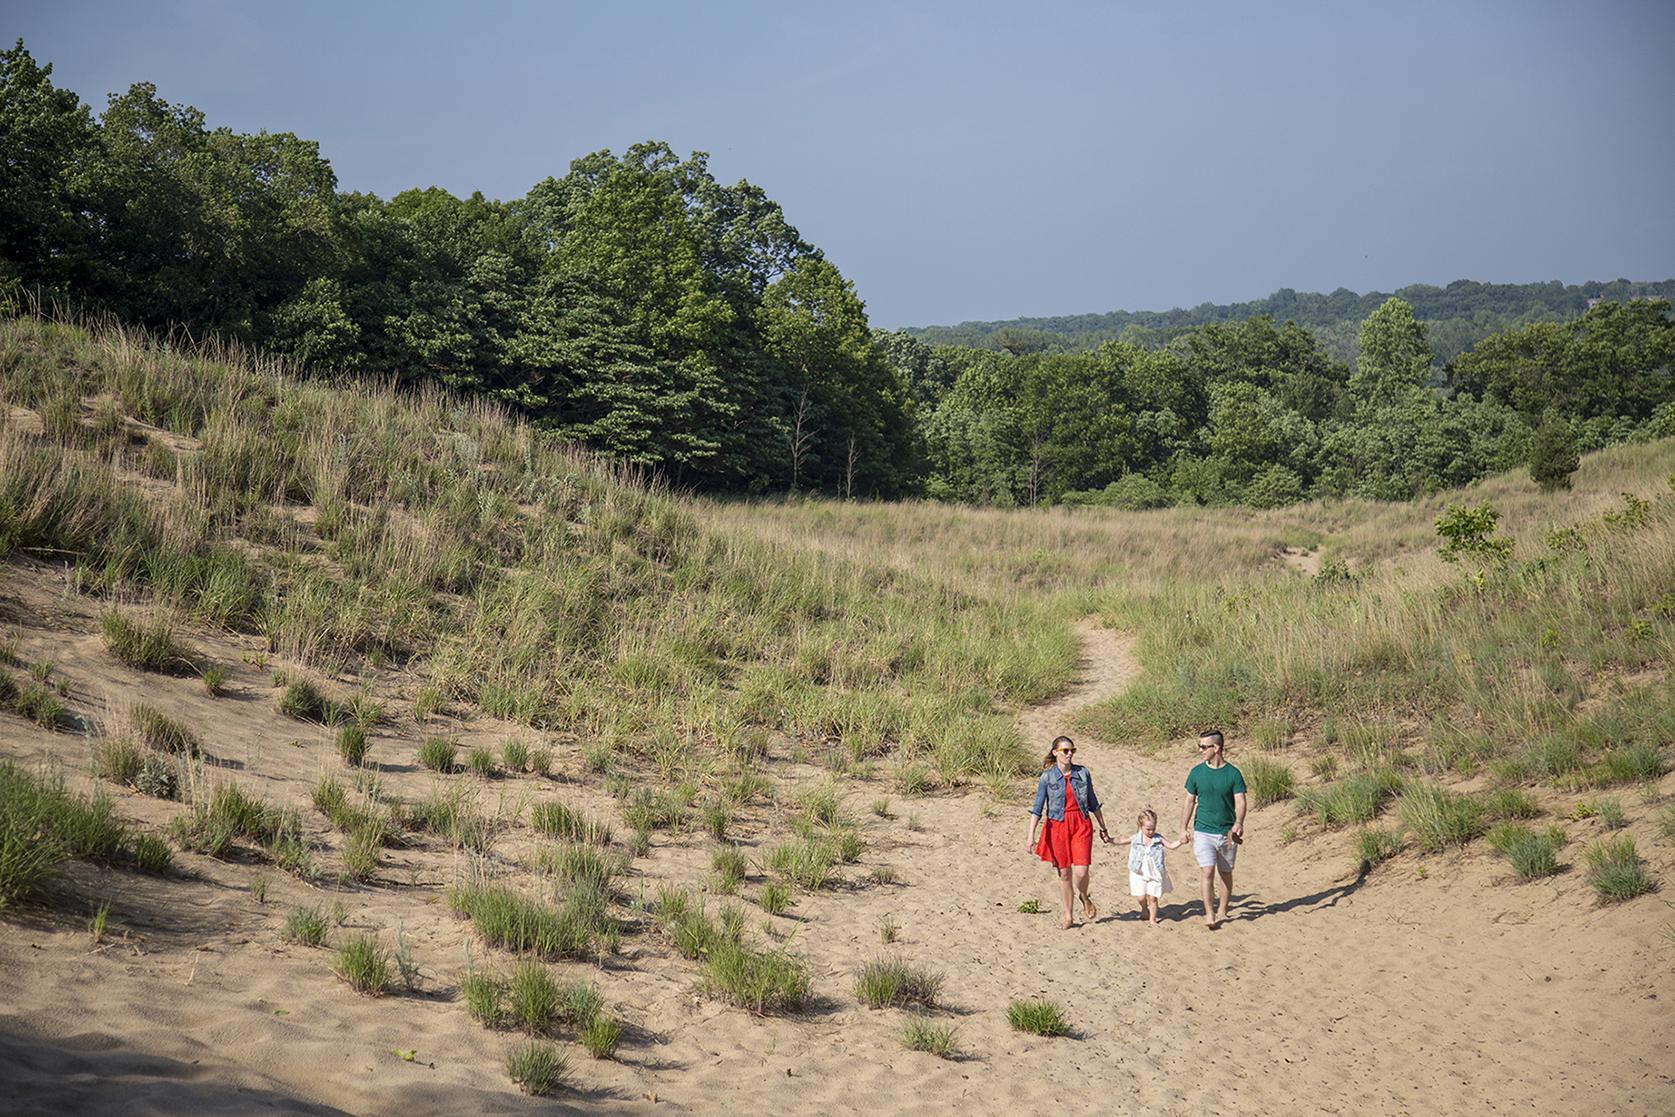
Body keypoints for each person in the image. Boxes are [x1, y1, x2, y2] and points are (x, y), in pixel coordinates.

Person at [1027, 735, 1113, 929]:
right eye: (1065, 751)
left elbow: (1093, 802)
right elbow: (1037, 808)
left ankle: (1084, 895)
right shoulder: (1047, 777)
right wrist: (1030, 837)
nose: (1069, 754)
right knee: (1064, 874)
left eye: (1072, 750)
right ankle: (1068, 917)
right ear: (1055, 752)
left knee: (1081, 872)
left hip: (1081, 823)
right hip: (1057, 825)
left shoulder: (1082, 773)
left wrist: (1103, 827)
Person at [1178, 728, 1247, 929]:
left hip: (1227, 833)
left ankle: (1222, 910)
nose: (1200, 750)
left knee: (1225, 872)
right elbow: (1189, 801)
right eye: (1199, 746)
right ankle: (1209, 914)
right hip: (1203, 830)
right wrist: (1183, 828)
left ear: (1216, 748)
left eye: (1203, 746)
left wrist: (1239, 823)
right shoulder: (1196, 772)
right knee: (1207, 871)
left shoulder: (1233, 774)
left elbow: (1240, 801)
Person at [1127, 808, 1182, 925]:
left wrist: (1181, 841)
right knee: (1141, 897)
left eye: (1153, 829)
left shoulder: (1158, 838)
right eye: (1148, 829)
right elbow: (1122, 840)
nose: (1151, 832)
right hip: (1139, 872)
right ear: (1140, 826)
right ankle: (1144, 909)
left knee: (1153, 898)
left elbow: (1171, 845)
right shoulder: (1136, 838)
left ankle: (1153, 919)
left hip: (1154, 873)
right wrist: (1110, 839)